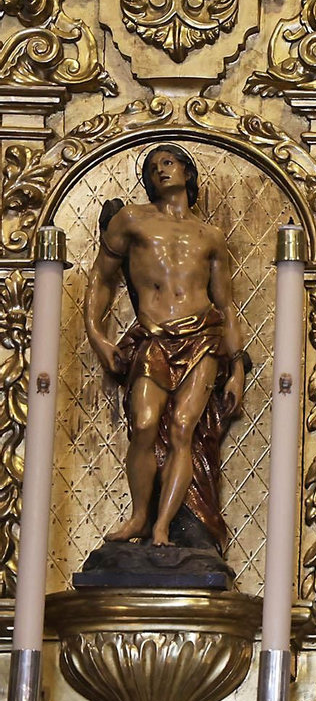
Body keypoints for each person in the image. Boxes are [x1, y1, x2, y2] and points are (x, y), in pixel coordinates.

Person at [85, 144, 248, 551]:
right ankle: (140, 516)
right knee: (142, 424)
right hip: (154, 336)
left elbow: (226, 305)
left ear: (188, 173)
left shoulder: (210, 236)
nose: (161, 170)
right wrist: (97, 336)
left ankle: (162, 526)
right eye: (153, 166)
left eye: (169, 162)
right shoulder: (132, 220)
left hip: (203, 339)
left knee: (182, 431)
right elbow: (101, 280)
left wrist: (239, 371)